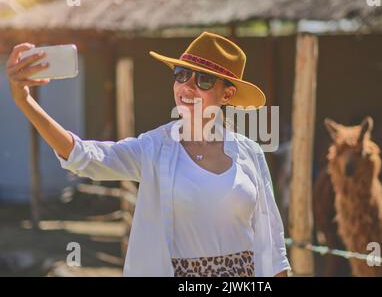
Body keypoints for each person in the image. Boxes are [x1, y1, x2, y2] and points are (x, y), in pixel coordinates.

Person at [6, 31, 291, 277]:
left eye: (203, 80)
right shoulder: (154, 148)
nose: (187, 86)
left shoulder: (250, 153)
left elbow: (272, 243)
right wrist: (25, 101)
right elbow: (84, 156)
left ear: (226, 95)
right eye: (181, 75)